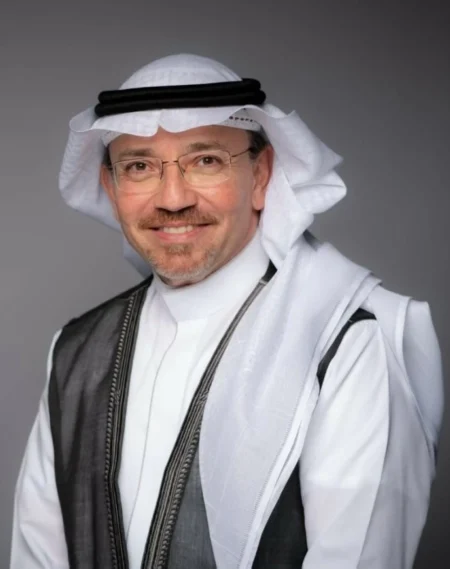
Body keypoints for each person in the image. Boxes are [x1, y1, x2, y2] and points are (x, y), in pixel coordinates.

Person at [10, 54, 444, 569]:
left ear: (261, 175)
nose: (173, 199)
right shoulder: (76, 353)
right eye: (139, 167)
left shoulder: (344, 345)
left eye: (206, 161)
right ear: (111, 187)